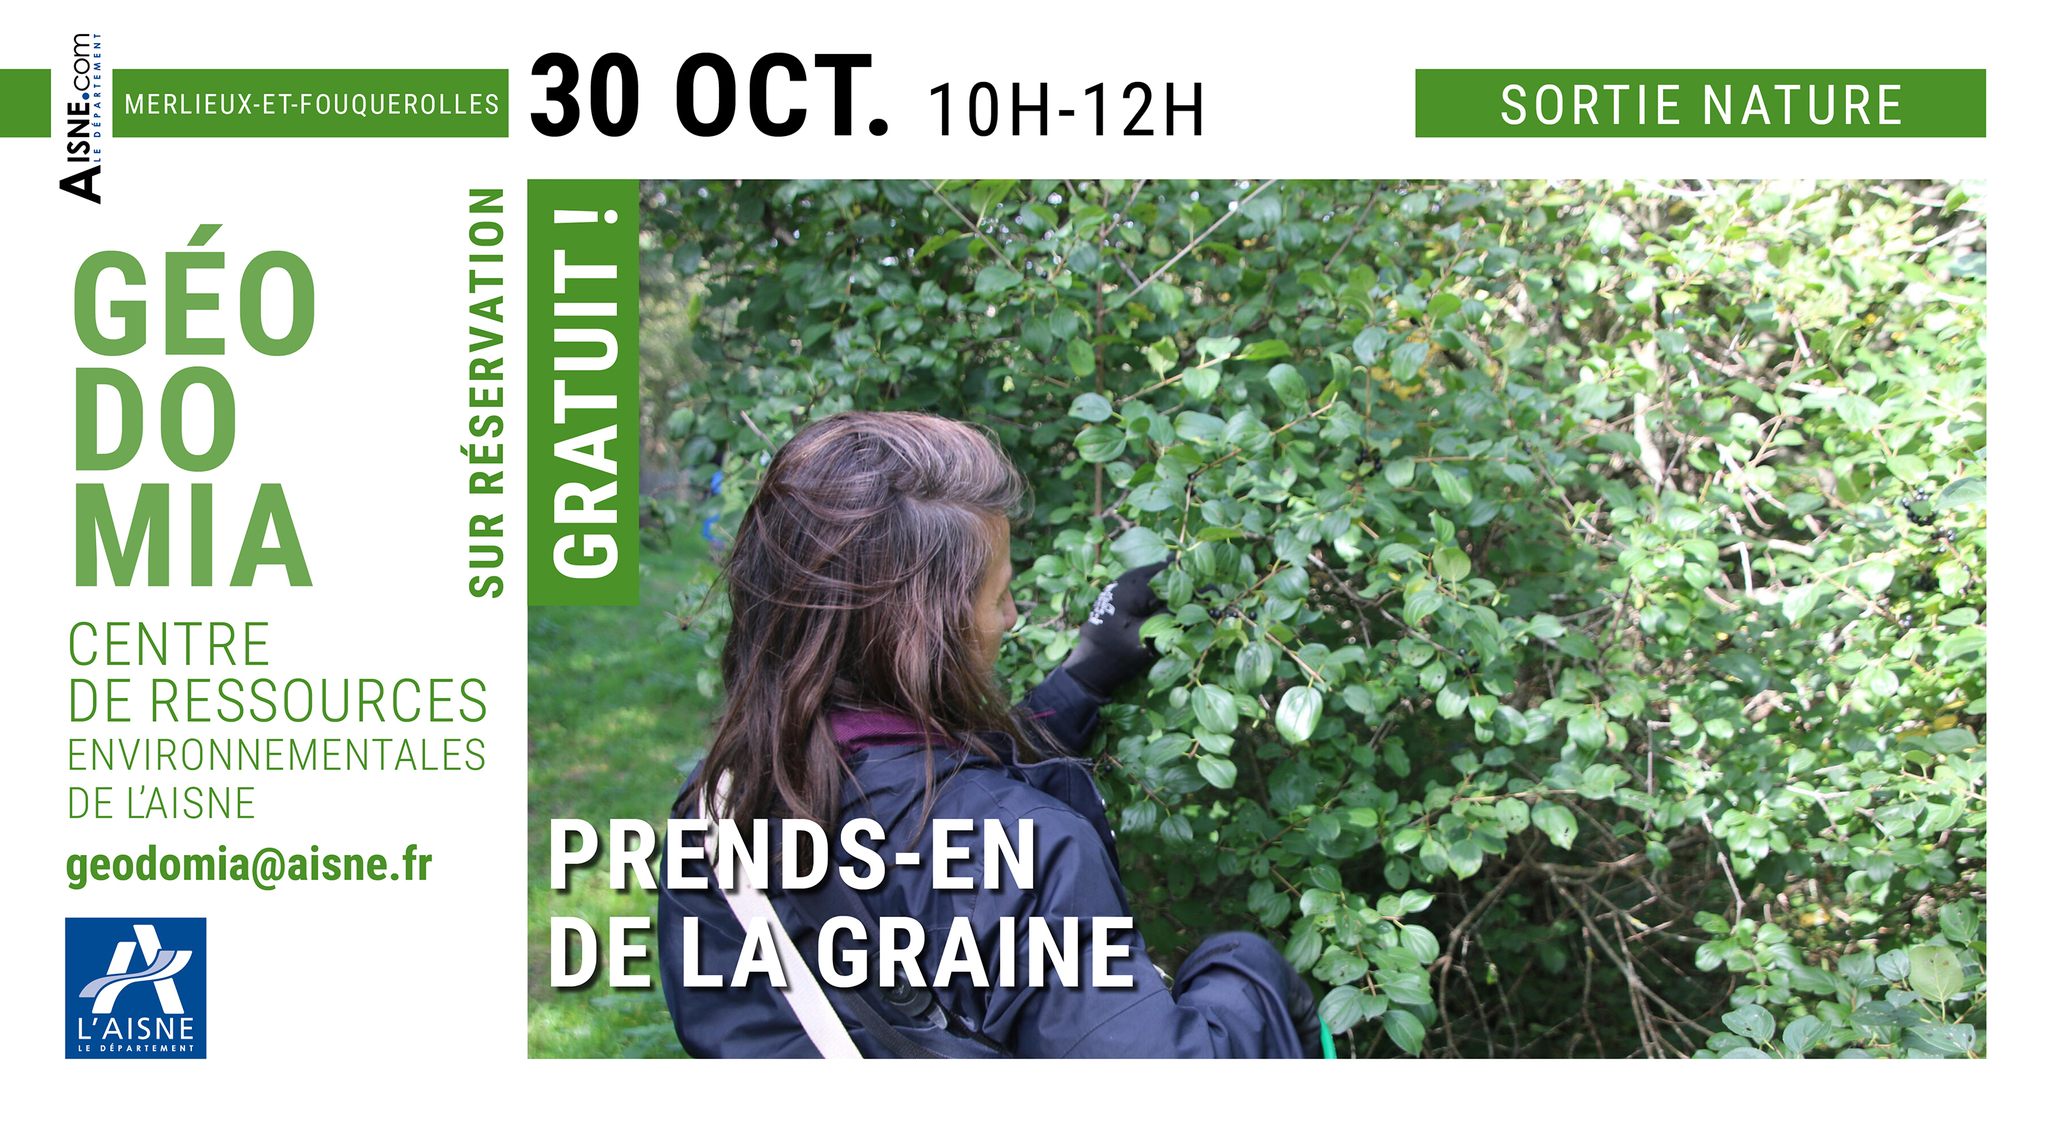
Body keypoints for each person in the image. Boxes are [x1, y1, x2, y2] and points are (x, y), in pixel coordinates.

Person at [656, 411, 1317, 1058]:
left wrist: (1081, 683)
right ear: (926, 632)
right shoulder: (1028, 857)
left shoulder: (717, 805)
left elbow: (904, 800)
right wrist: (1247, 980)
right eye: (998, 593)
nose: (1012, 615)